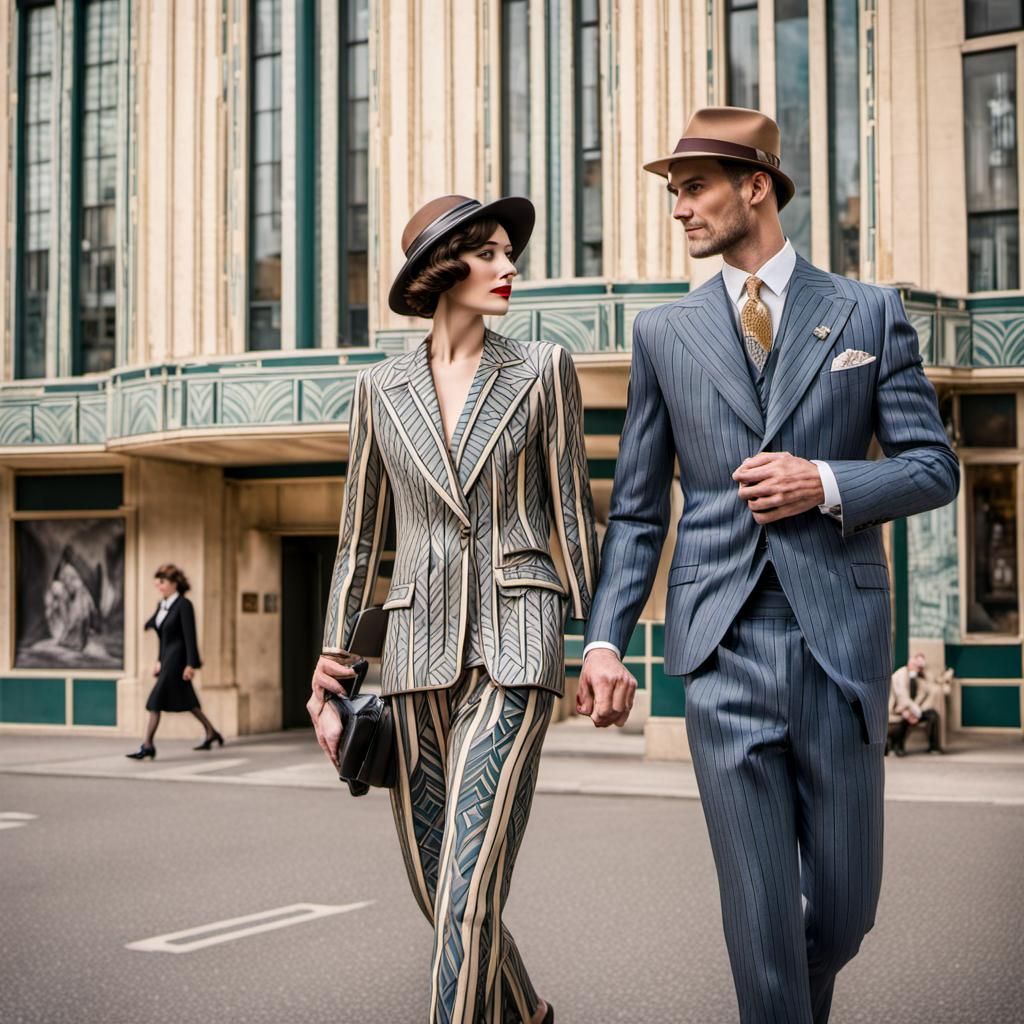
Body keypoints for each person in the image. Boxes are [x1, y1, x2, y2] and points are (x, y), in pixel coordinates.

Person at [578, 107, 960, 1023]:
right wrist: (603, 642)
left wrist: (825, 480)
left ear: (757, 186)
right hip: (720, 652)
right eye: (673, 193)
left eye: (694, 188)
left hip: (839, 647)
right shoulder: (664, 335)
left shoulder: (868, 312)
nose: (680, 209)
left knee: (841, 915)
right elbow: (636, 510)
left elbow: (932, 466)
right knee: (758, 920)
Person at [309, 194, 597, 1024]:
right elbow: (359, 541)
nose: (511, 269)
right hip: (411, 655)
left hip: (517, 640)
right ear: (444, 268)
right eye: (493, 253)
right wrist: (332, 669)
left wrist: (605, 642)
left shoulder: (543, 370)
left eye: (512, 254)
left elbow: (573, 516)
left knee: (471, 892)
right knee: (440, 893)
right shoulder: (379, 389)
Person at [126, 564, 223, 759]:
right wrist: (159, 661)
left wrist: (191, 664)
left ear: (173, 583)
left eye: (161, 582)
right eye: (157, 582)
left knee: (155, 701)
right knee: (188, 702)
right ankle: (212, 732)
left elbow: (190, 636)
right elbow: (162, 637)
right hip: (167, 659)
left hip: (178, 661)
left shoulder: (183, 605)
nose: (158, 585)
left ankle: (148, 745)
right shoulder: (162, 605)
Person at [889, 652, 952, 755]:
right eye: (916, 666)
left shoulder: (919, 678)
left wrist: (916, 712)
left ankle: (934, 747)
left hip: (915, 709)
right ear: (910, 663)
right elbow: (902, 696)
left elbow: (928, 689)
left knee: (933, 715)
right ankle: (897, 747)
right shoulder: (901, 674)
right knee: (904, 718)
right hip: (899, 709)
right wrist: (912, 712)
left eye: (920, 667)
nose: (918, 668)